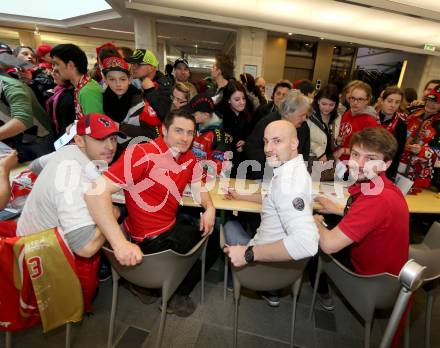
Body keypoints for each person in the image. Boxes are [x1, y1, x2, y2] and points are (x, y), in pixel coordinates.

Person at [84, 109, 216, 316]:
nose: (184, 138)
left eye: (190, 133)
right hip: (149, 240)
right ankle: (175, 295)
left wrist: (209, 207)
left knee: (199, 224)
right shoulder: (142, 153)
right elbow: (95, 192)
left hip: (166, 227)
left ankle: (148, 286)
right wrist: (119, 244)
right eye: (179, 131)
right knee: (214, 238)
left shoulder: (189, 156)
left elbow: (198, 184)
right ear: (163, 130)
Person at [223, 120, 318, 275]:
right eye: (266, 142)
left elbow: (306, 244)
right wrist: (240, 196)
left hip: (262, 265)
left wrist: (249, 254)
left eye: (277, 141)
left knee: (228, 224)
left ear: (294, 144)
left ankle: (234, 279)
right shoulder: (295, 169)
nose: (267, 149)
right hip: (286, 269)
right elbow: (273, 198)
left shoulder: (287, 183)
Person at [314, 127, 409, 276]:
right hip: (387, 273)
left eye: (370, 158)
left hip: (371, 281)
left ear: (387, 164)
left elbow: (329, 246)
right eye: (355, 154)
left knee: (312, 239)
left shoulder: (376, 198)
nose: (359, 163)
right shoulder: (384, 187)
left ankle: (322, 294)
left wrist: (314, 221)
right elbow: (372, 219)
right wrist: (338, 210)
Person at [0, 49, 54, 162]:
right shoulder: (11, 78)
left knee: (48, 168)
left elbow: (23, 119)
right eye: (25, 54)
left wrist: (31, 82)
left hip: (39, 136)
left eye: (32, 55)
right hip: (21, 137)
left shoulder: (10, 84)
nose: (29, 57)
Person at [245, 89, 310, 180]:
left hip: (290, 178)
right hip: (264, 176)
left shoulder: (303, 127)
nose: (305, 119)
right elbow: (251, 149)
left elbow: (304, 154)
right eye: (302, 115)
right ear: (288, 112)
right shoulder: (268, 123)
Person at [102, 56, 159, 143]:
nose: (118, 84)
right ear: (105, 80)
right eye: (112, 79)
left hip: (137, 151)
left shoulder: (141, 102)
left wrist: (120, 127)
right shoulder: (105, 99)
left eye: (122, 79)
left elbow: (151, 133)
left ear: (130, 80)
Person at [398, 84, 440, 193]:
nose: (432, 104)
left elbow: (438, 154)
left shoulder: (438, 125)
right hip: (397, 165)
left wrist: (422, 151)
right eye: (431, 100)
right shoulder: (414, 112)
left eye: (437, 103)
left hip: (417, 175)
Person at [51, 44, 104, 119]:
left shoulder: (88, 91)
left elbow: (95, 125)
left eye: (56, 64)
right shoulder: (82, 86)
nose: (54, 69)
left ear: (70, 65)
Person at [216, 81, 253, 177]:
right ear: (228, 100)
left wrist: (245, 143)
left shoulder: (247, 114)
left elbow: (252, 136)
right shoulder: (220, 117)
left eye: (244, 98)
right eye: (237, 99)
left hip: (242, 164)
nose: (242, 102)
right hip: (224, 165)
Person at [189, 94, 232, 177]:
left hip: (210, 180)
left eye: (194, 115)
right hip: (193, 175)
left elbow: (218, 165)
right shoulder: (195, 125)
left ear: (206, 115)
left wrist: (199, 172)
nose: (191, 116)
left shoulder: (220, 136)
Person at [334, 82, 378, 161]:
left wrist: (343, 150)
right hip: (338, 162)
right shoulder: (347, 113)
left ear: (367, 101)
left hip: (353, 166)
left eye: (360, 99)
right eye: (353, 98)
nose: (355, 102)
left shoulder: (370, 121)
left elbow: (368, 149)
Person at [126, 49, 172, 122]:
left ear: (151, 67)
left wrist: (150, 91)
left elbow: (164, 115)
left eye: (138, 64)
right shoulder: (135, 83)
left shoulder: (164, 85)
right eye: (133, 64)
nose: (133, 67)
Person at [377, 86, 407, 180]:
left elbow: (398, 153)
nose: (393, 105)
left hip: (386, 168)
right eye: (389, 101)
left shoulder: (401, 125)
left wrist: (390, 175)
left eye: (397, 102)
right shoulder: (372, 117)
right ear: (382, 101)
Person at [307, 84, 341, 163]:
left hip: (328, 158)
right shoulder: (308, 115)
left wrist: (337, 142)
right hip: (310, 157)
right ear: (318, 101)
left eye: (331, 105)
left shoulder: (337, 117)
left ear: (336, 104)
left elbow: (330, 141)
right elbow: (303, 138)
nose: (327, 108)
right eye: (324, 104)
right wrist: (318, 150)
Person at [45, 66, 75, 139]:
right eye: (53, 70)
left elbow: (65, 122)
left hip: (64, 136)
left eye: (57, 72)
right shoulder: (58, 89)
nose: (53, 73)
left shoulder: (68, 96)